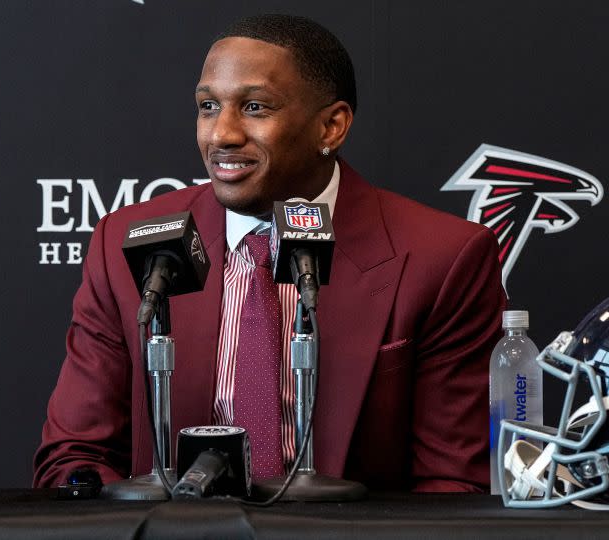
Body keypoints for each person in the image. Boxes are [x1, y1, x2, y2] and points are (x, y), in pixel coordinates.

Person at [34, 14, 505, 492]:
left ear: (332, 126)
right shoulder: (123, 244)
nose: (222, 134)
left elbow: (452, 487)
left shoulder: (444, 259)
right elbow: (76, 458)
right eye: (208, 106)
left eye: (255, 107)